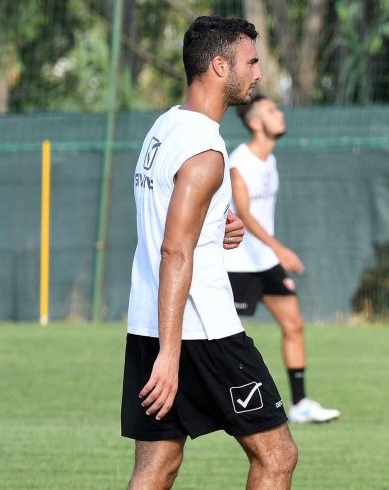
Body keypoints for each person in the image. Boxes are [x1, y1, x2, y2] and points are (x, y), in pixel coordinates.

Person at [122, 16, 297, 489]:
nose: (258, 74)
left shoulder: (166, 127)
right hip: (200, 329)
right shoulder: (206, 149)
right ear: (220, 66)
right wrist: (171, 355)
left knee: (157, 467)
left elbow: (168, 213)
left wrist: (218, 220)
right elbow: (175, 251)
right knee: (277, 457)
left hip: (149, 323)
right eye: (251, 62)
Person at [223, 93, 340, 424]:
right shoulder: (239, 162)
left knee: (293, 324)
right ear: (255, 122)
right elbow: (243, 212)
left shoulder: (269, 160)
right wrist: (279, 248)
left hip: (265, 262)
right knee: (220, 337)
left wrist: (272, 251)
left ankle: (300, 404)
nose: (280, 115)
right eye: (273, 111)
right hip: (238, 265)